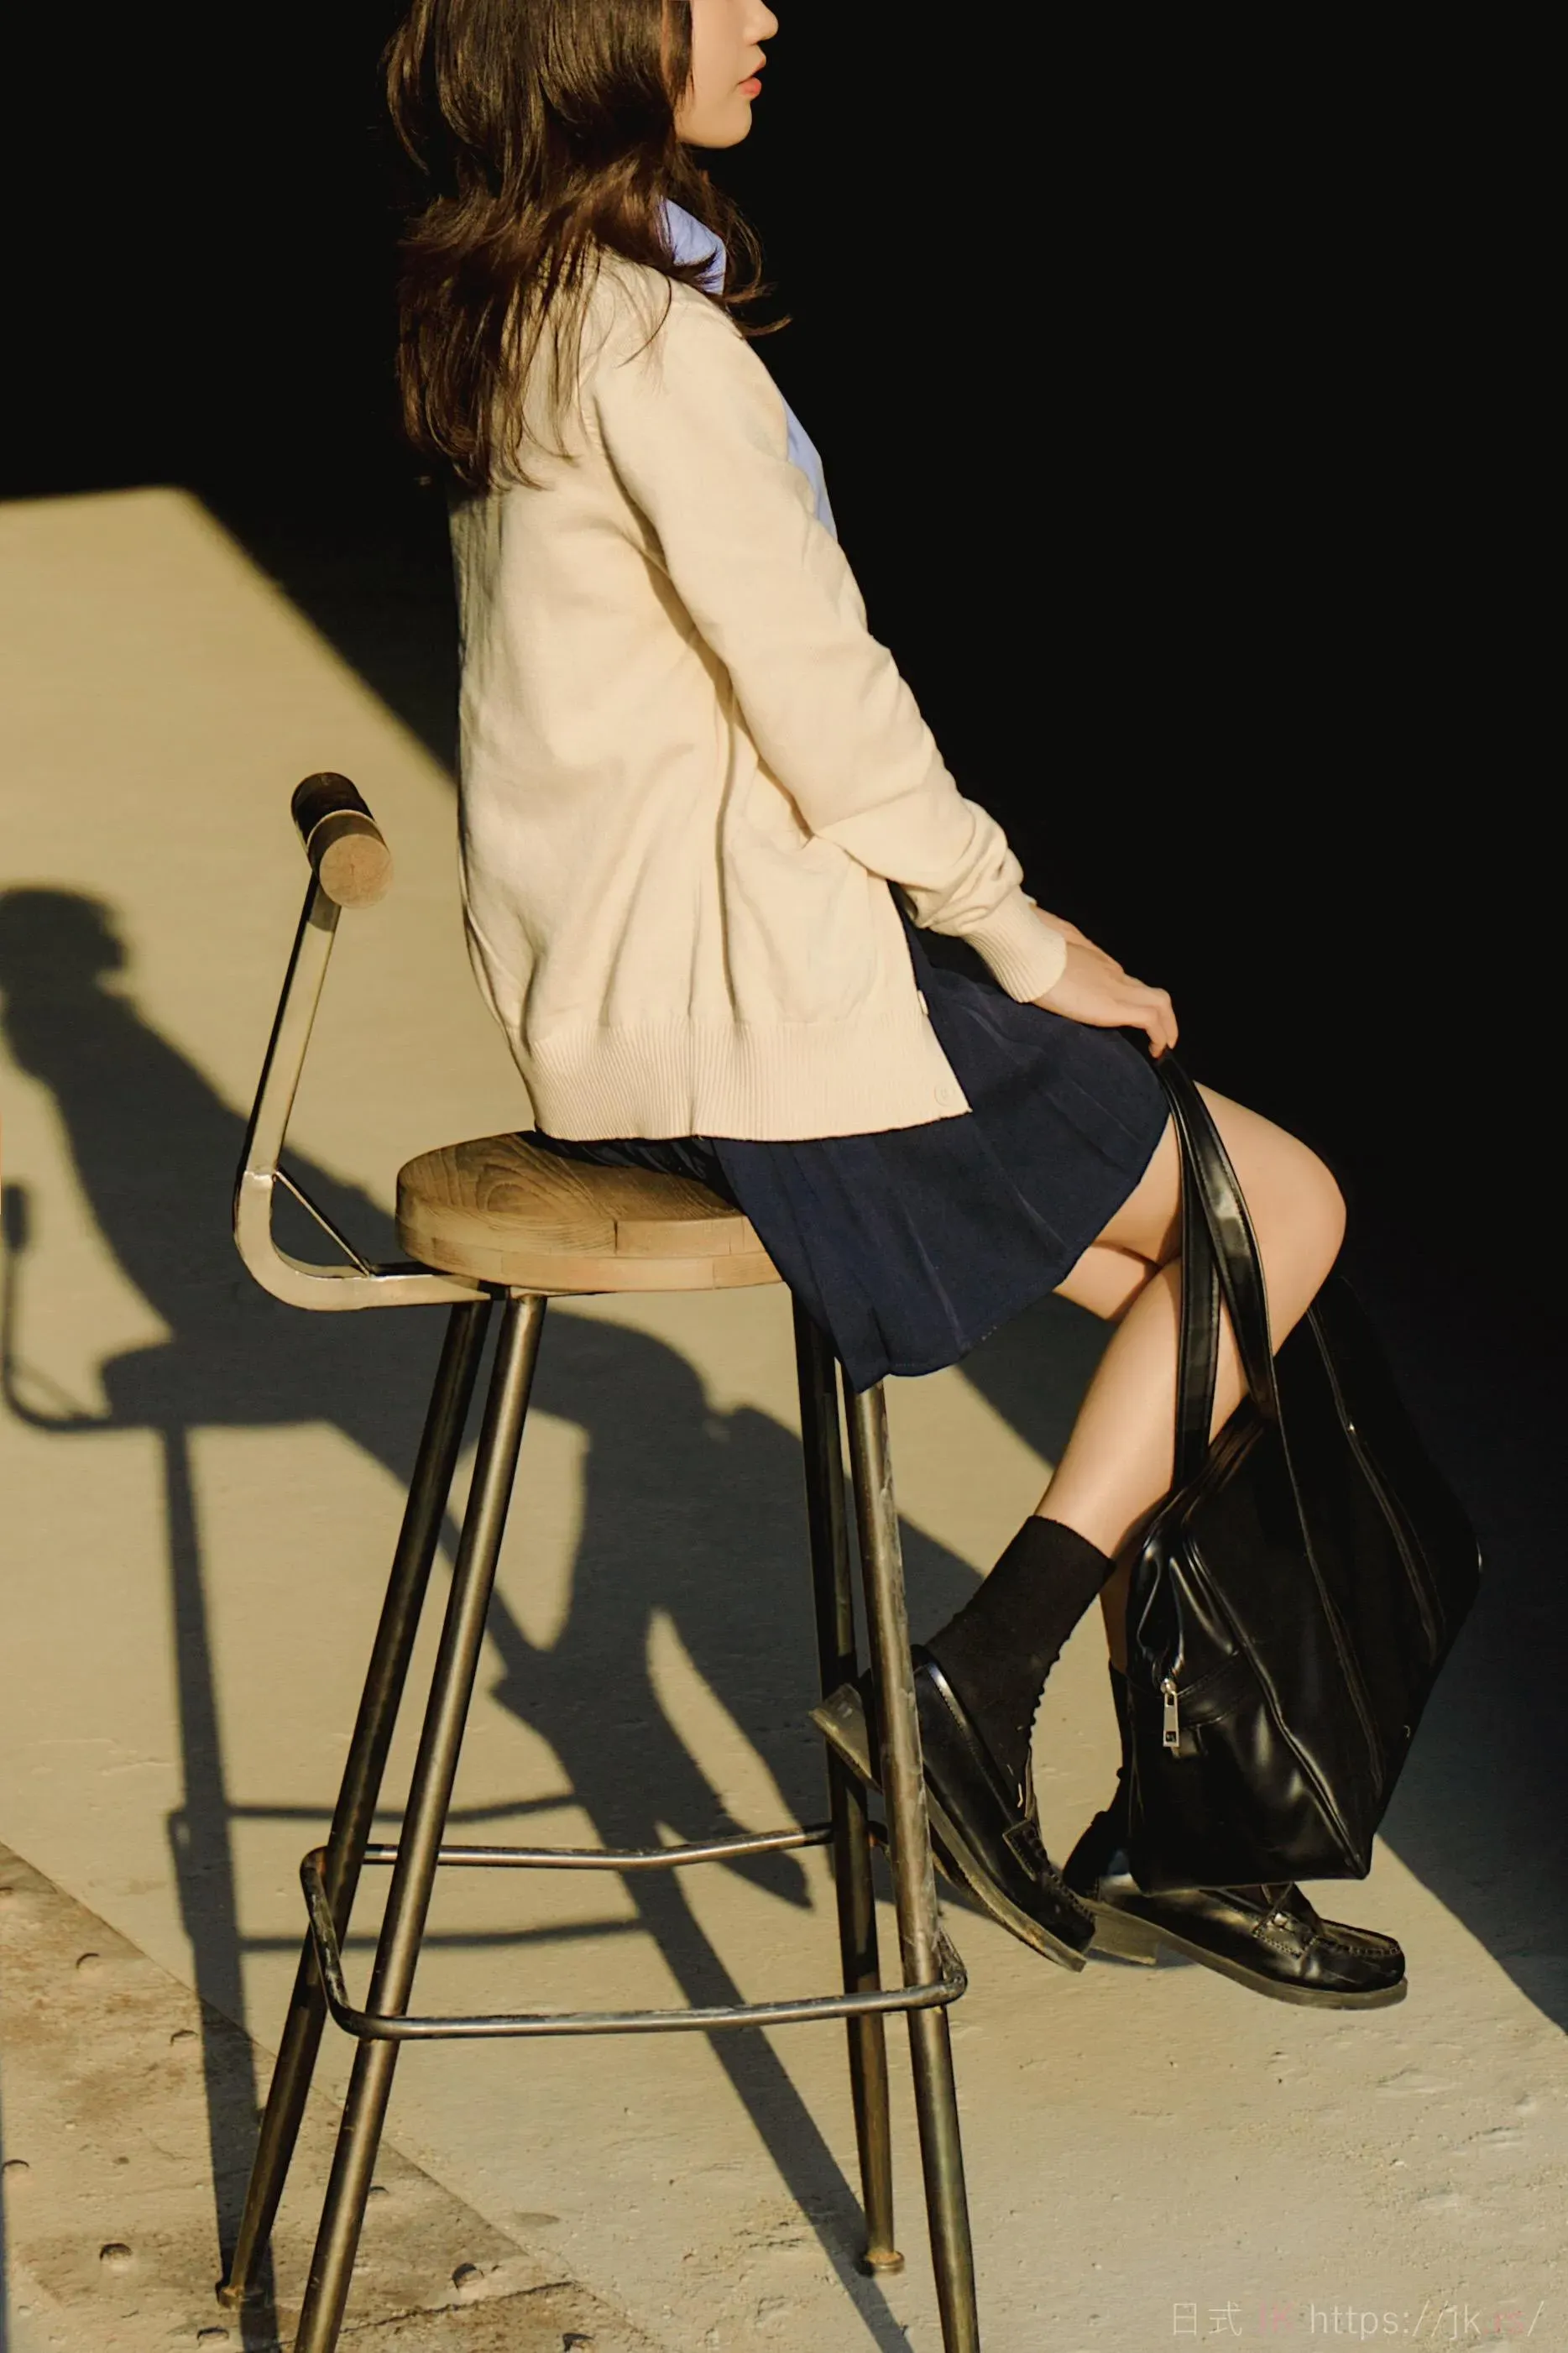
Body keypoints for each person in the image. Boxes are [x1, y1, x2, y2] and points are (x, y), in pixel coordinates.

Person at [385, 0, 1405, 2006]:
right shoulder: (645, 342)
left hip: (653, 1007)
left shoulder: (522, 307)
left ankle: (1198, 1834)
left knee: (1212, 1314)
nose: (762, 14)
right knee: (1278, 1210)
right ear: (594, 35)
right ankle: (980, 1681)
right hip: (748, 1004)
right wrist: (1018, 932)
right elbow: (821, 695)